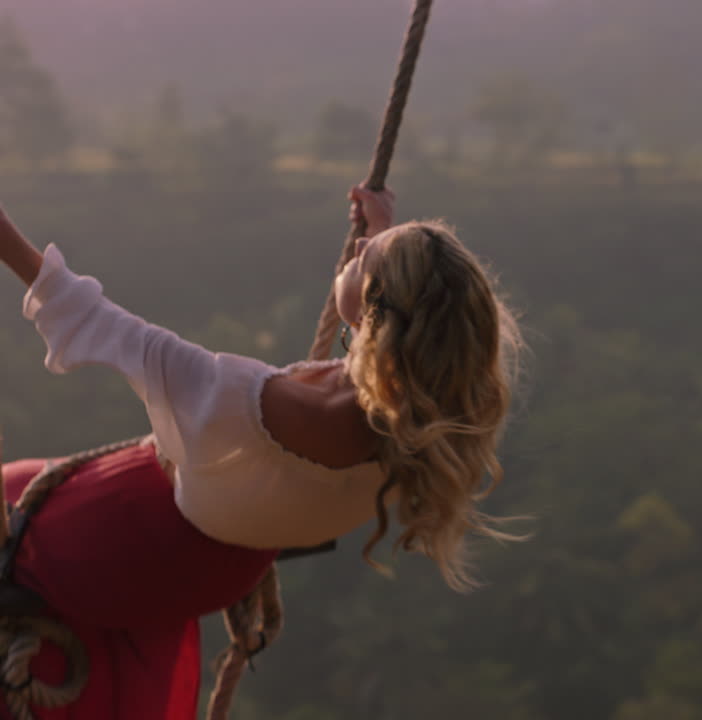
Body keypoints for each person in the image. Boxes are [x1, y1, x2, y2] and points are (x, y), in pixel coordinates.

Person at [0, 185, 523, 718]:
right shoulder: (416, 426)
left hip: (108, 538)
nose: (357, 251)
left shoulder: (246, 403)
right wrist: (380, 232)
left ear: (374, 313)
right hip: (200, 577)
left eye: (367, 257)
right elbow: (417, 313)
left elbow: (96, 320)